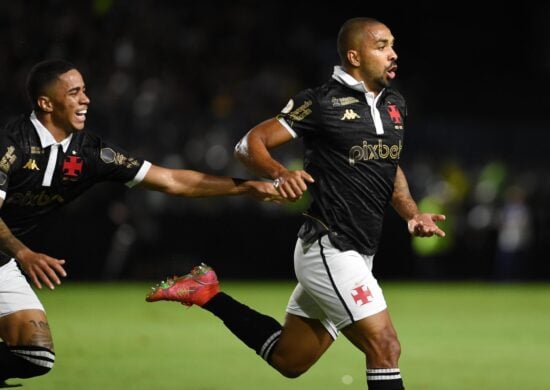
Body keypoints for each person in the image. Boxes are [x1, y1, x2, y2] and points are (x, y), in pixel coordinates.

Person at [146, 17, 445, 390]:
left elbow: (389, 164)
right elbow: (249, 143)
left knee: (290, 359)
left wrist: (412, 214)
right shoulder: (320, 102)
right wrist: (279, 173)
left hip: (360, 251)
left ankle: (206, 292)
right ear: (354, 55)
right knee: (385, 346)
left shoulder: (394, 104)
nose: (393, 54)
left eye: (392, 45)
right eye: (382, 46)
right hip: (330, 247)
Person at [0, 59, 282, 387]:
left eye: (85, 90)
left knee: (34, 355)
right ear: (46, 103)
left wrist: (244, 187)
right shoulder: (10, 144)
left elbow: (174, 181)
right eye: (74, 92)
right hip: (12, 252)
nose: (86, 99)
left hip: (3, 257)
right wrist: (23, 253)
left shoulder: (90, 153)